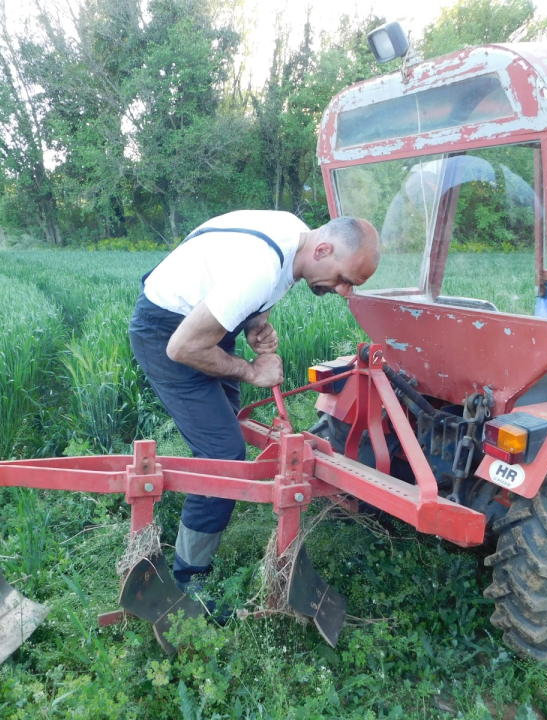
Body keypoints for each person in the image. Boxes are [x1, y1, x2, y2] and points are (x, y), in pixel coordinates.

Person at [128, 210, 380, 593]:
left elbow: (248, 291)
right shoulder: (261, 268)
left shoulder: (296, 238)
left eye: (352, 286)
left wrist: (254, 325)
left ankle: (204, 512)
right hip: (167, 333)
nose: (345, 292)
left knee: (223, 430)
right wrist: (252, 371)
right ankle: (188, 578)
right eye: (344, 279)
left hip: (204, 327)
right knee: (223, 456)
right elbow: (182, 347)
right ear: (323, 250)